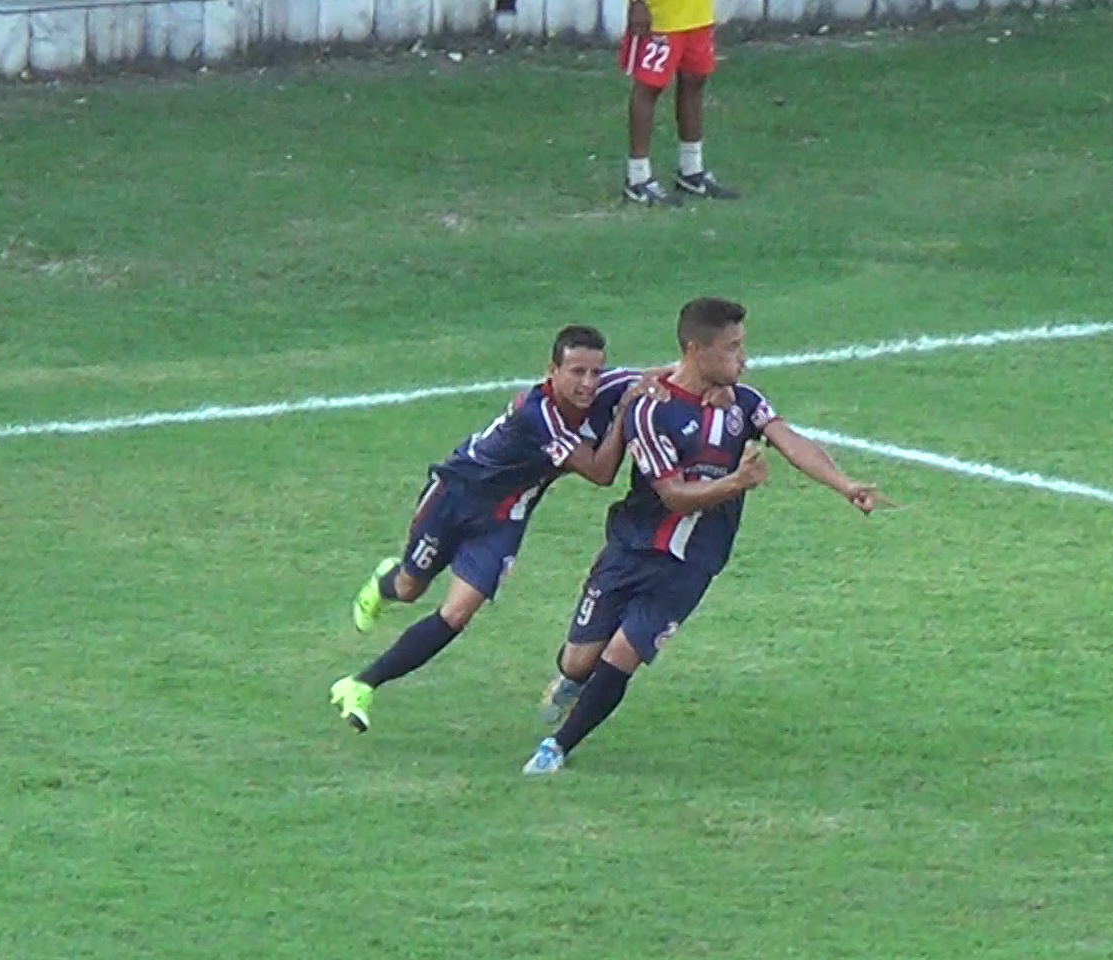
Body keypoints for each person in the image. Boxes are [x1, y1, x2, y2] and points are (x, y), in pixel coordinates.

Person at [521, 297, 892, 775]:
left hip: (689, 565)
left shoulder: (745, 403)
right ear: (697, 350)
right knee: (579, 661)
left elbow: (789, 439)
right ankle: (570, 681)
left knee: (621, 655)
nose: (744, 358)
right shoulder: (651, 412)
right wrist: (735, 483)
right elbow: (673, 495)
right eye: (733, 347)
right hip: (631, 549)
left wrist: (845, 485)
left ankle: (558, 747)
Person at [329, 326, 663, 734]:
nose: (588, 384)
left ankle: (360, 685)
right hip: (454, 498)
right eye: (577, 372)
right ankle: (385, 584)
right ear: (552, 371)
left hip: (504, 517)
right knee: (409, 587)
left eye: (596, 372)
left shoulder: (611, 385)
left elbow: (664, 375)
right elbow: (599, 472)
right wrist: (625, 415)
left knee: (457, 614)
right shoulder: (536, 413)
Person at [618, 0, 741, 205]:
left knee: (694, 80)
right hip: (662, 17)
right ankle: (638, 177)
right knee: (649, 87)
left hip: (698, 15)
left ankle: (691, 170)